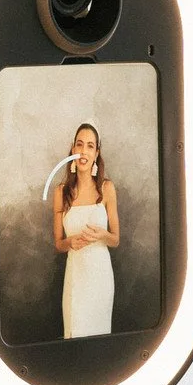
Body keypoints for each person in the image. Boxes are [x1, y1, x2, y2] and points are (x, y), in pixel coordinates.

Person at [52, 123, 119, 338]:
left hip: (101, 278)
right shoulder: (60, 192)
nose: (84, 151)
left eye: (90, 146)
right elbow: (59, 243)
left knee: (99, 342)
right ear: (73, 149)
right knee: (74, 338)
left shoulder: (107, 189)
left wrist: (102, 235)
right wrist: (70, 242)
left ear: (96, 153)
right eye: (79, 144)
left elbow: (115, 239)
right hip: (75, 277)